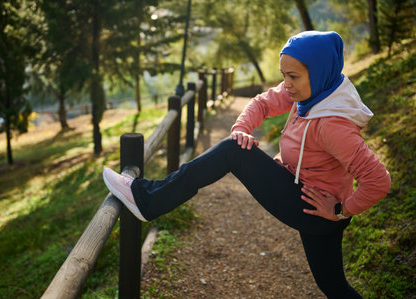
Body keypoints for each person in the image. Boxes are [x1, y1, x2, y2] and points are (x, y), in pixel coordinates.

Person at [102, 31, 391, 298]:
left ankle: (147, 198)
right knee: (333, 286)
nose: (286, 85)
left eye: (293, 77)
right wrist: (243, 127)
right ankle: (148, 197)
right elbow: (263, 102)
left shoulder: (332, 124)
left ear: (318, 71)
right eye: (283, 75)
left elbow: (378, 180)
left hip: (315, 208)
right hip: (307, 197)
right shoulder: (314, 93)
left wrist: (341, 210)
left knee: (234, 152)